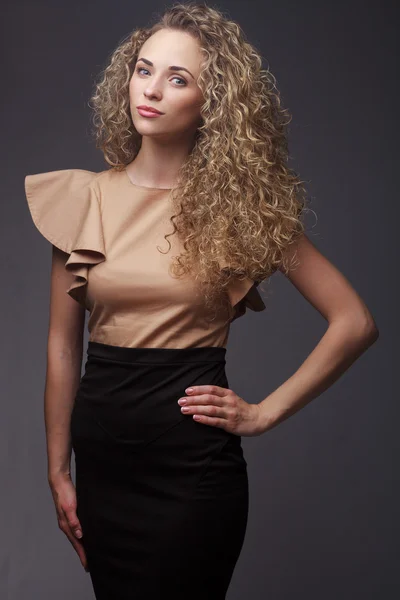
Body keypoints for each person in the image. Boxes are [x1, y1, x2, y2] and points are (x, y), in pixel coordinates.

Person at [23, 2, 379, 599]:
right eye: (144, 69)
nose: (153, 90)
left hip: (191, 474)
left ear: (212, 104)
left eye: (178, 78)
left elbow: (355, 322)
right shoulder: (80, 200)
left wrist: (263, 413)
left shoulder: (241, 211)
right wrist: (58, 467)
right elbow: (62, 347)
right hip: (104, 467)